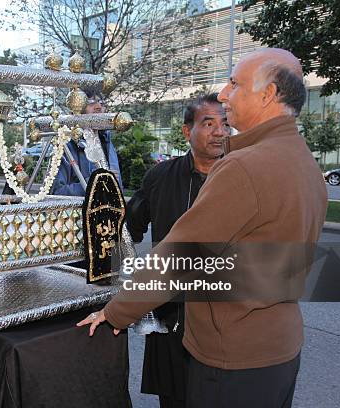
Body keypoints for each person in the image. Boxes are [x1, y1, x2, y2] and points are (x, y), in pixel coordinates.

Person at [78, 48, 328, 408]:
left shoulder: (245, 165)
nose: (224, 96)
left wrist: (115, 312)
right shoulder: (303, 160)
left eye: (234, 84)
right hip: (280, 349)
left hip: (233, 359)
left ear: (268, 94)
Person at [127, 93, 229, 408]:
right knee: (174, 396)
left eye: (224, 124)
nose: (219, 132)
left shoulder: (241, 176)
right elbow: (128, 232)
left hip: (223, 312)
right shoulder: (161, 177)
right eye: (208, 123)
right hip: (169, 312)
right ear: (187, 131)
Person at [51, 90, 121, 196]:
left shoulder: (107, 141)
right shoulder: (66, 145)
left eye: (101, 102)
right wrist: (94, 183)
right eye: (91, 102)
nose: (98, 107)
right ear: (76, 110)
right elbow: (56, 193)